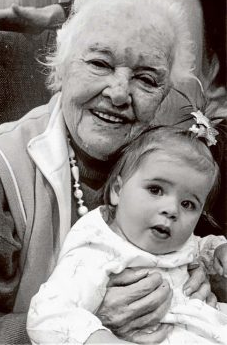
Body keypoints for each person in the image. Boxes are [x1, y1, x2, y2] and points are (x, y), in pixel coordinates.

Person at [0, 0, 218, 344]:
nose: (120, 93)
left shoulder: (164, 160)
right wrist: (90, 321)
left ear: (164, 94)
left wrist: (197, 278)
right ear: (61, 66)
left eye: (146, 78)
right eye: (100, 64)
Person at [27, 123, 227, 344]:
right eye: (155, 190)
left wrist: (218, 250)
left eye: (188, 204)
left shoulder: (175, 242)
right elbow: (47, 314)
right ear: (117, 190)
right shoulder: (97, 249)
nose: (172, 210)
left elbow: (196, 246)